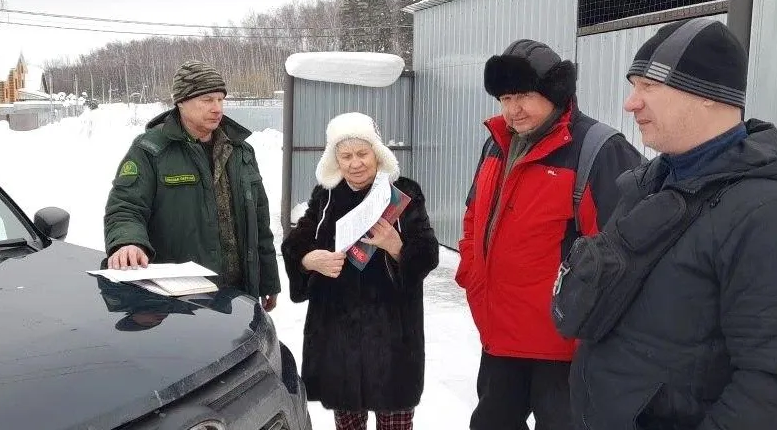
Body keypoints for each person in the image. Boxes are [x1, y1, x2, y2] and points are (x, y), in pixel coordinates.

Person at [563, 18, 777, 429]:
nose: (631, 103)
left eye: (648, 87)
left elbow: (776, 396)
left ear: (708, 95)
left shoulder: (773, 214)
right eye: (634, 86)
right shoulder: (650, 183)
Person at [456, 39, 645, 430]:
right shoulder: (497, 146)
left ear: (555, 92)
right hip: (500, 338)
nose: (512, 110)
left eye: (523, 95)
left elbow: (625, 255)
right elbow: (474, 219)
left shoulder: (598, 150)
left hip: (564, 351)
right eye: (505, 98)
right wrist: (474, 279)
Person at [280, 112, 439, 430]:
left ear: (377, 153)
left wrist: (396, 246)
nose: (355, 163)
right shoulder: (326, 196)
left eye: (362, 154)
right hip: (340, 337)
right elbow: (296, 242)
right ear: (335, 160)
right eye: (346, 156)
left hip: (393, 337)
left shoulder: (402, 194)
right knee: (348, 420)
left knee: (395, 419)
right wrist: (309, 260)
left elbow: (428, 251)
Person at [103, 60, 281, 311]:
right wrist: (127, 242)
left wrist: (268, 280)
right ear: (181, 102)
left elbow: (259, 222)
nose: (217, 108)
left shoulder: (241, 150)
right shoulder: (151, 150)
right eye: (207, 100)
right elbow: (126, 207)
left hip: (240, 293)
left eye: (220, 99)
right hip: (183, 297)